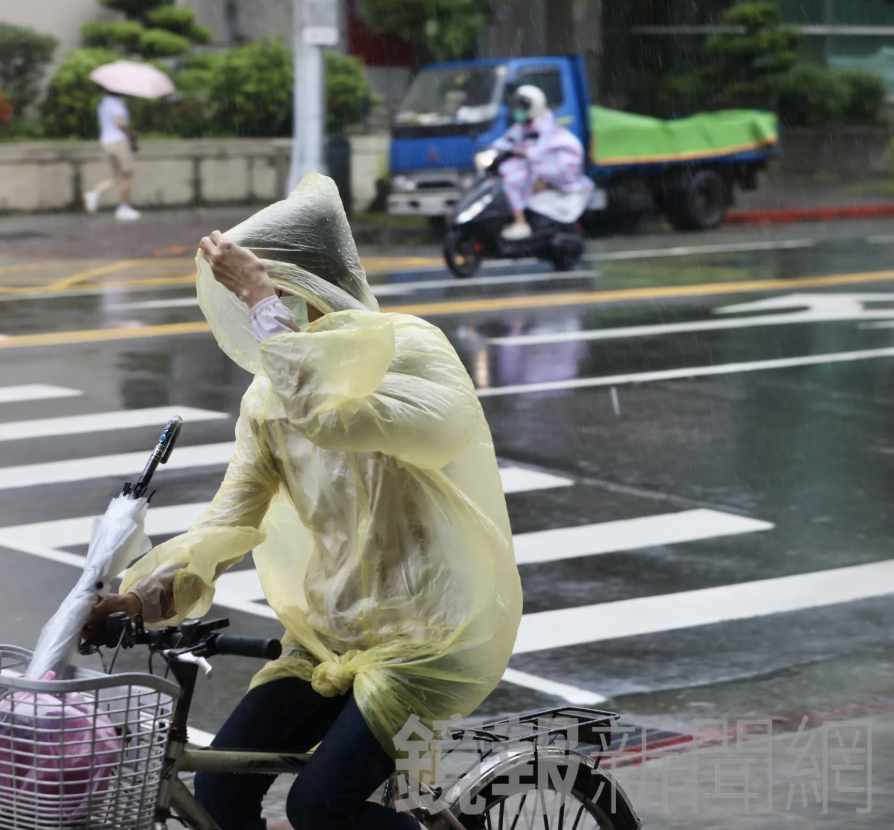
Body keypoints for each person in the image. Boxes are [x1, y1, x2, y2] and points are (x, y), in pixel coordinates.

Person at [87, 174, 522, 830]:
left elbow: (331, 415)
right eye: (262, 305)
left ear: (320, 294)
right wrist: (139, 600)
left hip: (432, 636)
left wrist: (262, 296)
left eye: (284, 300)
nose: (272, 321)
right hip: (330, 634)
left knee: (322, 806)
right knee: (220, 797)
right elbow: (228, 523)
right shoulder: (268, 400)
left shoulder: (412, 353)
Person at [493, 84, 593, 241]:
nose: (517, 109)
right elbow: (507, 140)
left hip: (547, 172)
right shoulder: (521, 125)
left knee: (511, 181)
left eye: (521, 106)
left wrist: (522, 152)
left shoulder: (545, 125)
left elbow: (540, 150)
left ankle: (521, 222)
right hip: (530, 167)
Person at [83, 86, 140, 221]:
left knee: (115, 175)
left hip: (106, 141)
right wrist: (130, 132)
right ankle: (124, 207)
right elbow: (119, 122)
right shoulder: (116, 104)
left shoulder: (103, 103)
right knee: (128, 174)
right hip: (118, 140)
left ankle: (93, 194)